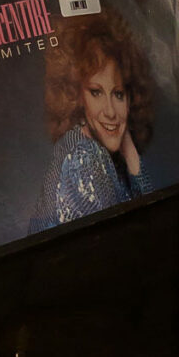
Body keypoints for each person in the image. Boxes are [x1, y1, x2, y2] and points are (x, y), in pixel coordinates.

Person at [31, 14, 152, 228]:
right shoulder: (84, 157)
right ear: (77, 96)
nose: (110, 111)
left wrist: (129, 147)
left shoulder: (100, 153)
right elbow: (146, 233)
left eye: (118, 94)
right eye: (96, 92)